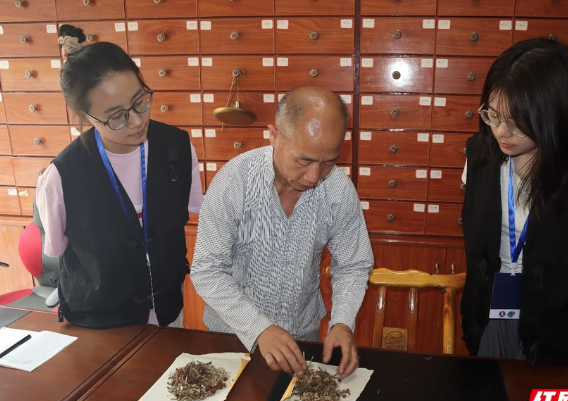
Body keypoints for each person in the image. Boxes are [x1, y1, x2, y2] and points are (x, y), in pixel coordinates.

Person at [460, 38, 568, 365]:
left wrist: (567, 283)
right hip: (490, 311)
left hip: (561, 323)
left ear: (555, 112)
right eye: (493, 115)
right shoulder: (480, 155)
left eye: (517, 121)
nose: (501, 132)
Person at [191, 87, 374, 378]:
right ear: (274, 135)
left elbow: (353, 265)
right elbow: (207, 270)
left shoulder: (338, 190)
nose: (314, 177)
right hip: (232, 336)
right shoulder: (235, 182)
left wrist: (342, 323)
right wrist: (259, 327)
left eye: (328, 162)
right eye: (304, 160)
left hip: (303, 336)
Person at [35, 25, 203, 328]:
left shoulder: (176, 147)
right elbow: (57, 251)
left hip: (167, 311)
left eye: (140, 101)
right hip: (100, 320)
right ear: (86, 117)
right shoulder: (62, 176)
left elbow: (187, 216)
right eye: (116, 116)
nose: (137, 121)